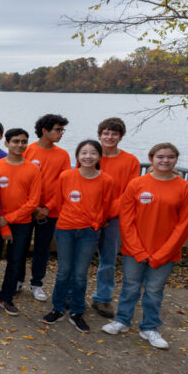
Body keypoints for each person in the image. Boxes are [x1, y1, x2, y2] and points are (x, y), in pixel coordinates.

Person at [102, 143, 188, 350]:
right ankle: (123, 321)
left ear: (176, 160)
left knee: (154, 291)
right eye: (160, 157)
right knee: (130, 287)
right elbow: (126, 220)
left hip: (166, 254)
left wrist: (162, 254)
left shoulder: (185, 188)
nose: (165, 160)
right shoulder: (137, 184)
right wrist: (138, 250)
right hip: (134, 252)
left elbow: (184, 225)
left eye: (170, 157)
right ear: (151, 158)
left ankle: (149, 328)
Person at [41, 140, 118, 333]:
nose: (88, 157)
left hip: (89, 231)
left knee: (80, 274)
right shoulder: (66, 176)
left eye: (93, 153)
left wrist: (96, 222)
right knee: (63, 271)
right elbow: (59, 201)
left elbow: (106, 205)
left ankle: (76, 312)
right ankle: (57, 308)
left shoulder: (106, 180)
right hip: (66, 228)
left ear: (99, 157)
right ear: (78, 156)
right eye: (84, 153)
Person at [0, 128, 41, 315]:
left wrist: (8, 220)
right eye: (15, 141)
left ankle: (6, 297)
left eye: (23, 141)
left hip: (21, 223)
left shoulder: (33, 169)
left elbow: (33, 201)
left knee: (16, 261)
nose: (19, 145)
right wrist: (2, 222)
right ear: (6, 143)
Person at [91, 117, 140, 319]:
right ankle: (71, 294)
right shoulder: (89, 155)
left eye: (114, 134)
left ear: (120, 136)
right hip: (89, 215)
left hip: (113, 218)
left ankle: (102, 297)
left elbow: (130, 192)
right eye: (106, 133)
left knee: (108, 260)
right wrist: (94, 213)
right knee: (81, 258)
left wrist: (108, 213)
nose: (109, 137)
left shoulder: (130, 161)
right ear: (99, 135)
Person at [22, 114, 71, 302]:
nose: (61, 133)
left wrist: (47, 207)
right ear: (45, 130)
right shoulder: (27, 150)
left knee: (42, 249)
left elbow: (64, 185)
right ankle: (18, 280)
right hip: (27, 209)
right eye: (58, 129)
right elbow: (22, 180)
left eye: (62, 130)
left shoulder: (63, 155)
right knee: (20, 247)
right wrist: (32, 206)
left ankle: (37, 284)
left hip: (50, 211)